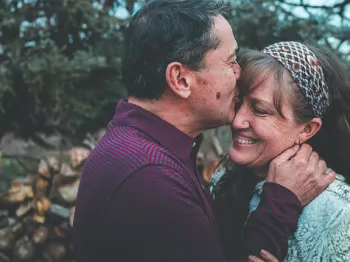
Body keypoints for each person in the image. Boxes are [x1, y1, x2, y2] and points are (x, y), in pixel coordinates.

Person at [72, 0, 334, 261]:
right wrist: (280, 205)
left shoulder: (142, 150)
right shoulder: (151, 180)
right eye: (231, 62)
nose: (239, 73)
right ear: (181, 80)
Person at [211, 41, 350, 261]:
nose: (237, 121)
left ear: (307, 129)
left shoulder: (336, 213)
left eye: (260, 110)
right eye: (238, 103)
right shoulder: (222, 179)